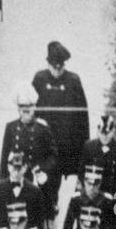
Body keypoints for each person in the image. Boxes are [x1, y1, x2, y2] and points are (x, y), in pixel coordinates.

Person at [32, 42, 90, 181]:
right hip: (45, 145)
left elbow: (82, 117)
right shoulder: (39, 79)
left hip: (67, 146)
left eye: (61, 66)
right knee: (46, 185)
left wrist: (84, 149)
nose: (57, 70)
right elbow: (31, 111)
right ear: (48, 64)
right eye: (54, 66)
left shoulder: (73, 81)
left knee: (67, 185)